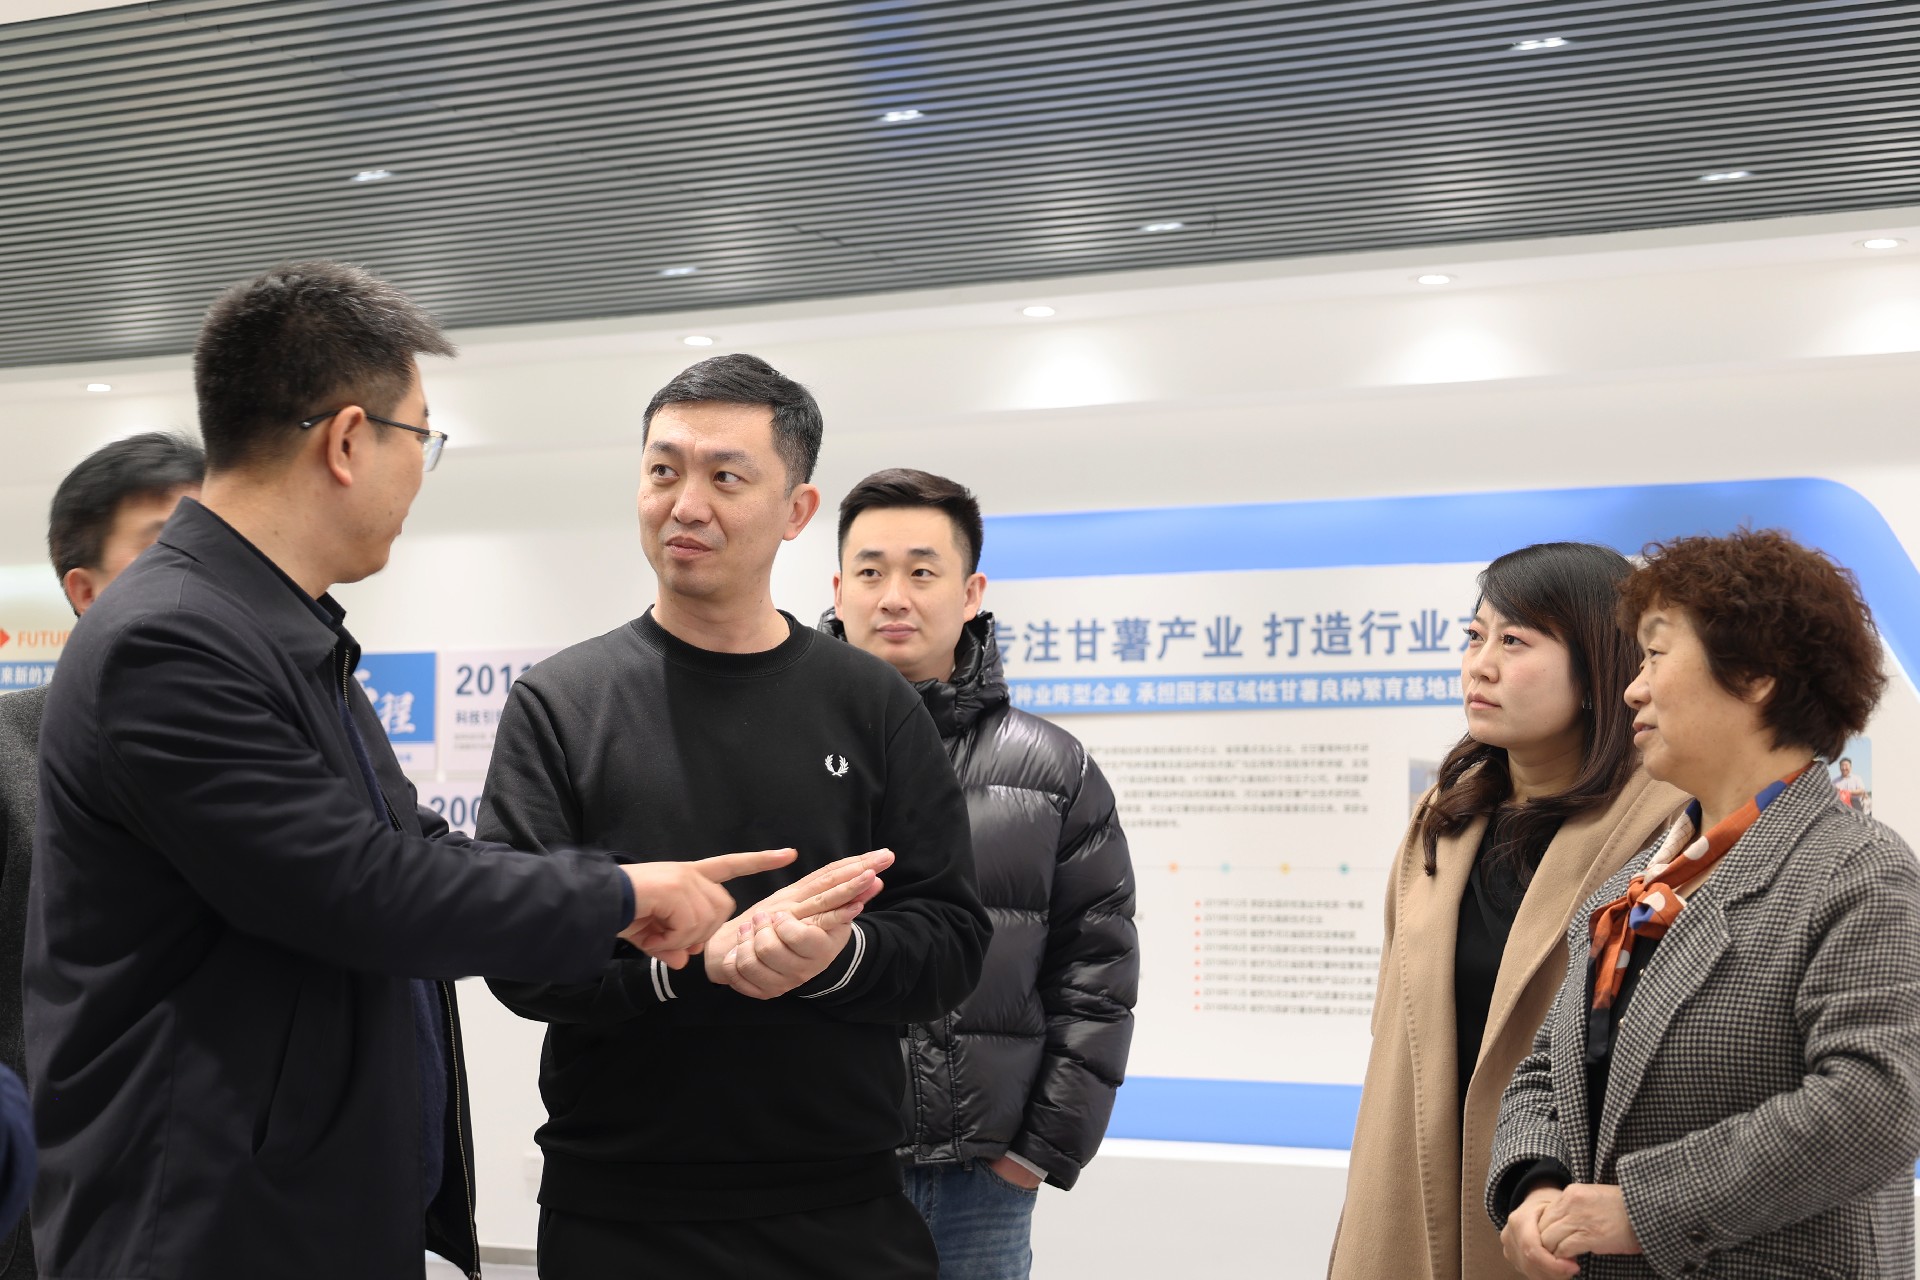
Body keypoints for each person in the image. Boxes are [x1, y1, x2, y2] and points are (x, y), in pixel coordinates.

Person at [24, 263, 812, 1279]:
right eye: (420, 439)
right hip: (206, 1223)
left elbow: (410, 847)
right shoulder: (173, 640)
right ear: (348, 441)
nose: (420, 473)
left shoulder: (276, 630)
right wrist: (618, 896)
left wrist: (628, 890)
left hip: (288, 1204)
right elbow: (353, 886)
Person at [479, 355, 991, 1279]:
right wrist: (683, 962)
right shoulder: (562, 702)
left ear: (796, 510)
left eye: (726, 477)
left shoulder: (872, 703)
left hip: (841, 1204)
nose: (686, 505)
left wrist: (836, 957)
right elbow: (517, 949)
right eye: (663, 470)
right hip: (620, 1208)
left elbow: (951, 939)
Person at [1487, 529, 1920, 1279]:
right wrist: (1535, 1186)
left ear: (1754, 676)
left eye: (1655, 655)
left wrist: (1644, 1207)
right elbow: (1546, 1069)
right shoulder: (1634, 884)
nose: (1633, 689)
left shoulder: (1857, 872)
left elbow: (1877, 1102)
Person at [1332, 543, 1685, 1280]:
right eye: (1475, 636)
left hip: (1558, 1214)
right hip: (1410, 1198)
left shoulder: (1662, 828)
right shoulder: (1446, 815)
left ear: (1597, 667)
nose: (1480, 666)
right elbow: (1393, 1028)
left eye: (1514, 641)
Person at [825, 468, 1138, 1278]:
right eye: (871, 571)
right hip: (811, 1167)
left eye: (922, 571)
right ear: (838, 590)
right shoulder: (774, 753)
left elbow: (1097, 976)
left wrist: (1033, 1155)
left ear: (970, 593)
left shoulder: (1054, 770)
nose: (895, 596)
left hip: (976, 1186)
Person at [0, 432, 203, 1278]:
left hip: (238, 1207)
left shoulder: (293, 752)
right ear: (84, 592)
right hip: (52, 1219)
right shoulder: (10, 754)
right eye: (169, 547)